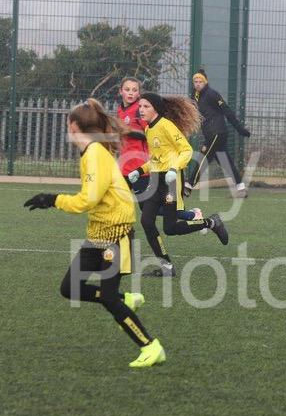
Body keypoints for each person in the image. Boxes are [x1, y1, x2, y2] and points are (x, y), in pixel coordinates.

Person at [23, 98, 165, 368]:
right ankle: (126, 299)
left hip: (116, 235)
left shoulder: (95, 154)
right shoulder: (91, 151)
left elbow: (87, 200)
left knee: (108, 298)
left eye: (68, 122)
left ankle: (150, 346)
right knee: (70, 288)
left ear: (74, 126)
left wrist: (51, 199)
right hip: (98, 234)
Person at [126, 92, 229, 277]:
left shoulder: (166, 125)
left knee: (170, 228)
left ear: (156, 108)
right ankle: (167, 267)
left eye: (146, 106)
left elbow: (186, 150)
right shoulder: (149, 129)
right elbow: (157, 159)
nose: (141, 109)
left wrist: (174, 169)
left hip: (171, 182)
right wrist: (139, 171)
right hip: (156, 180)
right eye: (140, 106)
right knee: (146, 221)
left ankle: (211, 223)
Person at [117, 76, 202, 221]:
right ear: (120, 91)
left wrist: (127, 131)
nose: (130, 93)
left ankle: (192, 215)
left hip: (141, 166)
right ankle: (121, 232)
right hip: (126, 167)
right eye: (127, 89)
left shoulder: (140, 111)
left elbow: (148, 134)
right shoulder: (121, 109)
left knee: (150, 209)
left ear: (139, 93)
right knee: (116, 201)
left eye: (134, 90)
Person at [186, 69, 250, 198]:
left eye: (200, 81)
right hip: (211, 133)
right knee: (225, 161)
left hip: (216, 132)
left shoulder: (212, 94)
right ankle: (241, 188)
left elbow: (227, 110)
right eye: (195, 81)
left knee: (203, 158)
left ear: (205, 82)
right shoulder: (195, 96)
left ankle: (188, 186)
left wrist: (239, 129)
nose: (197, 84)